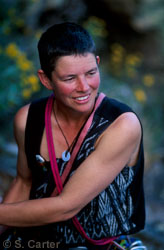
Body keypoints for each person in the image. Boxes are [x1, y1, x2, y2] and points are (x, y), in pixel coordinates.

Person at [0, 22, 146, 250]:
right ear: (46, 79)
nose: (84, 87)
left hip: (103, 245)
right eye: (69, 79)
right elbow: (24, 182)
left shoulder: (121, 124)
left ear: (98, 63)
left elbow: (66, 206)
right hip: (38, 242)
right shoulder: (28, 119)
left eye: (91, 73)